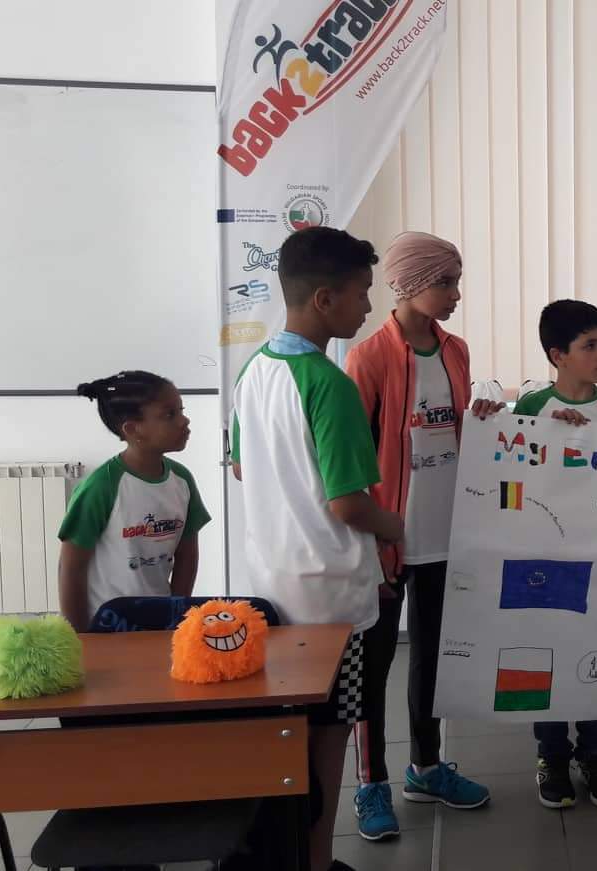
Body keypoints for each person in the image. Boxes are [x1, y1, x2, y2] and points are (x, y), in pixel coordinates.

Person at [231, 226, 404, 871]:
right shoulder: (329, 384)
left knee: (286, 743)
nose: (368, 307)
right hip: (333, 604)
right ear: (325, 299)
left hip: (273, 590)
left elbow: (243, 467)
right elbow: (349, 505)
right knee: (328, 742)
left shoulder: (254, 371)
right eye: (362, 292)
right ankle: (317, 862)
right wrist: (396, 528)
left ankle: (288, 858)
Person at [343, 232, 491, 841]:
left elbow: (458, 429)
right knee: (373, 668)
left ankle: (426, 768)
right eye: (445, 283)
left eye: (456, 282)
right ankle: (370, 784)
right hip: (388, 539)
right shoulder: (369, 357)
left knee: (432, 659)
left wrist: (483, 423)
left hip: (445, 534)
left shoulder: (456, 350)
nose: (456, 295)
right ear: (408, 285)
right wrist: (374, 539)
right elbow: (353, 459)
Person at [510, 299, 597, 809]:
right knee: (547, 659)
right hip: (542, 561)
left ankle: (596, 756)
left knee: (595, 657)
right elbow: (507, 478)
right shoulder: (532, 409)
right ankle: (552, 757)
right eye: (590, 345)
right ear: (557, 355)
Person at [58, 371, 209, 631]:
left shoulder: (182, 480)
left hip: (159, 623)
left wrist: (176, 613)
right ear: (132, 429)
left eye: (181, 411)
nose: (184, 421)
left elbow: (187, 556)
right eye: (169, 414)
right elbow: (71, 568)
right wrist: (81, 636)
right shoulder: (101, 487)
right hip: (106, 627)